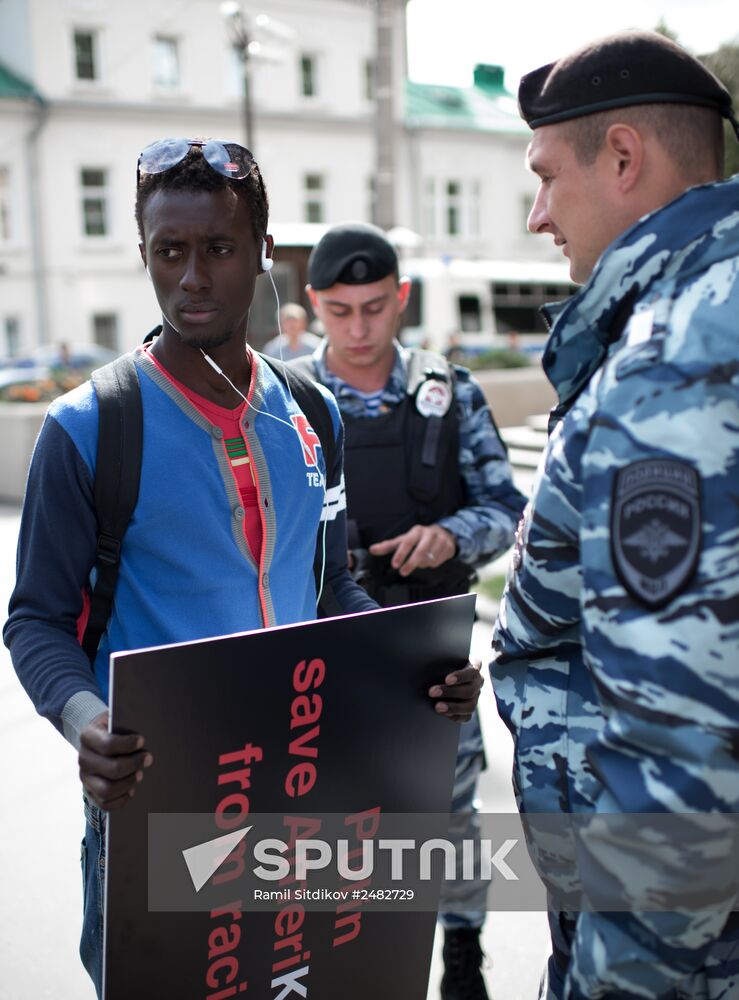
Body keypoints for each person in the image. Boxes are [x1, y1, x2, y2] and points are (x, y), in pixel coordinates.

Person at [3, 139, 484, 997]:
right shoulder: (87, 428)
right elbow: (35, 620)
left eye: (218, 250)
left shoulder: (311, 411)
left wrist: (417, 671)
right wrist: (86, 723)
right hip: (161, 805)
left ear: (264, 254)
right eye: (169, 252)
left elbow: (329, 584)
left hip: (304, 792)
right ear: (143, 254)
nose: (192, 277)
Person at [491, 31, 739, 1000]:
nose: (536, 215)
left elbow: (682, 752)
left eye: (548, 178)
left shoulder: (674, 358)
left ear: (624, 158)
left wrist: (619, 983)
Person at [297, 222, 527, 1000]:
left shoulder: (448, 394)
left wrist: (450, 533)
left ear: (400, 298)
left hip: (432, 654)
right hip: (328, 658)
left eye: (373, 307)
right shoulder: (283, 397)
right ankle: (349, 966)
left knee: (450, 827)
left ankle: (461, 956)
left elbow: (506, 506)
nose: (358, 330)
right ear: (312, 305)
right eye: (338, 311)